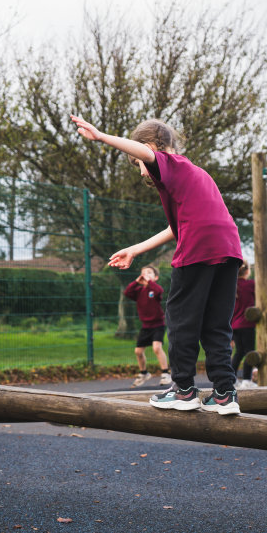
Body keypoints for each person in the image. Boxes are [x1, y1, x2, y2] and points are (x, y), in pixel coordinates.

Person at [71, 115, 242, 415]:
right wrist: (135, 250)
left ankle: (184, 390)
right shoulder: (196, 174)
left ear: (148, 148)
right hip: (228, 249)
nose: (142, 171)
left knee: (179, 319)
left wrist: (101, 136)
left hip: (199, 248)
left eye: (137, 163)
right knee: (216, 324)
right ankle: (225, 394)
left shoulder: (168, 163)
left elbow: (149, 154)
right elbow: (177, 227)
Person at [123, 264, 171, 388]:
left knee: (156, 348)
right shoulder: (139, 291)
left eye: (149, 272)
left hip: (158, 325)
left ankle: (166, 373)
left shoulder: (155, 290)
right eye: (143, 272)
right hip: (145, 326)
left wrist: (150, 281)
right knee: (138, 351)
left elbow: (159, 291)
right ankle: (144, 373)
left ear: (156, 277)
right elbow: (127, 292)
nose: (145, 275)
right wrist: (136, 282)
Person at [230, 262, 258, 389]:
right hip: (247, 324)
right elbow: (261, 289)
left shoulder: (233, 285)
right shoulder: (250, 284)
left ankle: (232, 378)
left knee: (239, 352)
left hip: (234, 325)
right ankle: (247, 379)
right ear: (247, 271)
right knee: (249, 351)